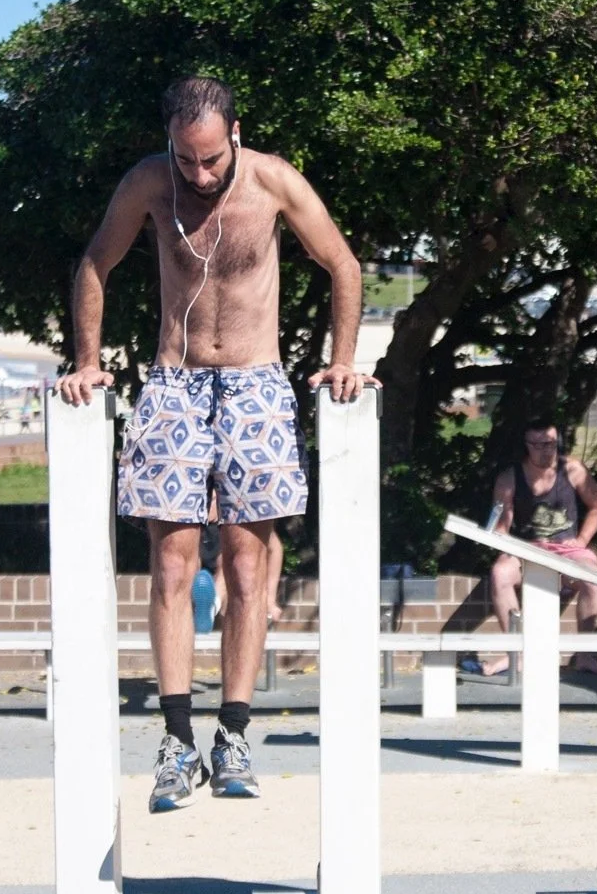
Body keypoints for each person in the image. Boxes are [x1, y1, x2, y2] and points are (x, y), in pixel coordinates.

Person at [58, 75, 370, 812]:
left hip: (257, 383)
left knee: (246, 563)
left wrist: (344, 360)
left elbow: (343, 265)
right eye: (185, 160)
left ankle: (233, 733)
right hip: (175, 382)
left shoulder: (273, 180)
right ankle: (176, 741)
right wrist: (86, 361)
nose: (199, 176)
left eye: (210, 160)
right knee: (171, 563)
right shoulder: (149, 183)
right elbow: (96, 263)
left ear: (235, 133)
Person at [482, 420, 597, 675]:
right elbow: (500, 524)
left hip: (568, 548)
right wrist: (506, 545)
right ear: (526, 445)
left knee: (594, 580)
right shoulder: (510, 477)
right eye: (536, 445)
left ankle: (584, 656)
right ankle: (517, 654)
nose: (544, 450)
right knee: (500, 573)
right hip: (527, 548)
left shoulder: (573, 470)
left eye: (549, 444)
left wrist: (581, 540)